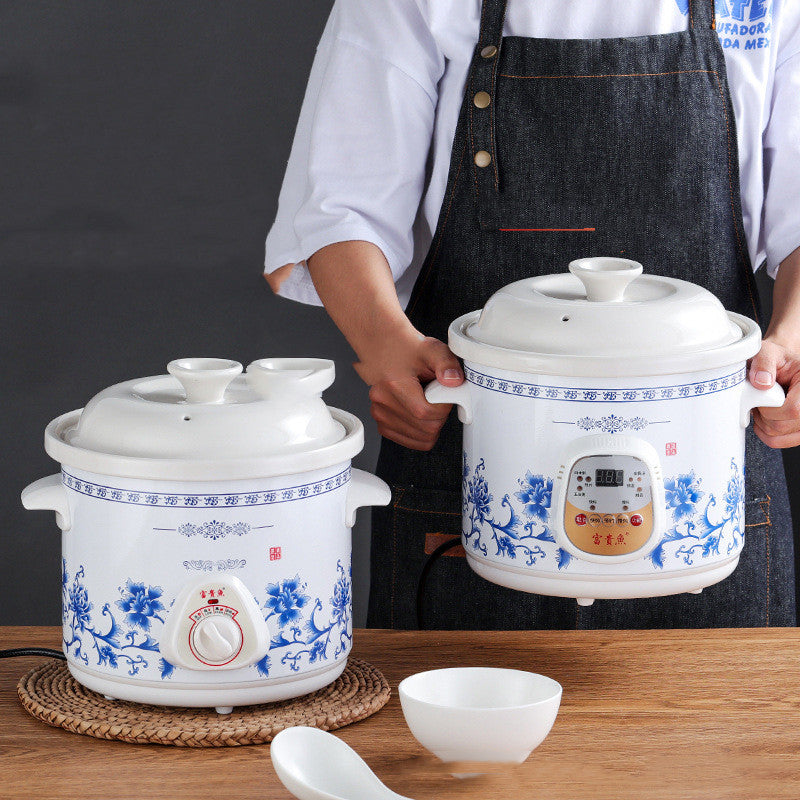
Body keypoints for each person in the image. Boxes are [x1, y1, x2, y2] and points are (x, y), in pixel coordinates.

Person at [265, 0, 800, 629]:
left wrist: (791, 342)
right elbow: (340, 207)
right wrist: (384, 343)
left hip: (711, 483)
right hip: (467, 460)